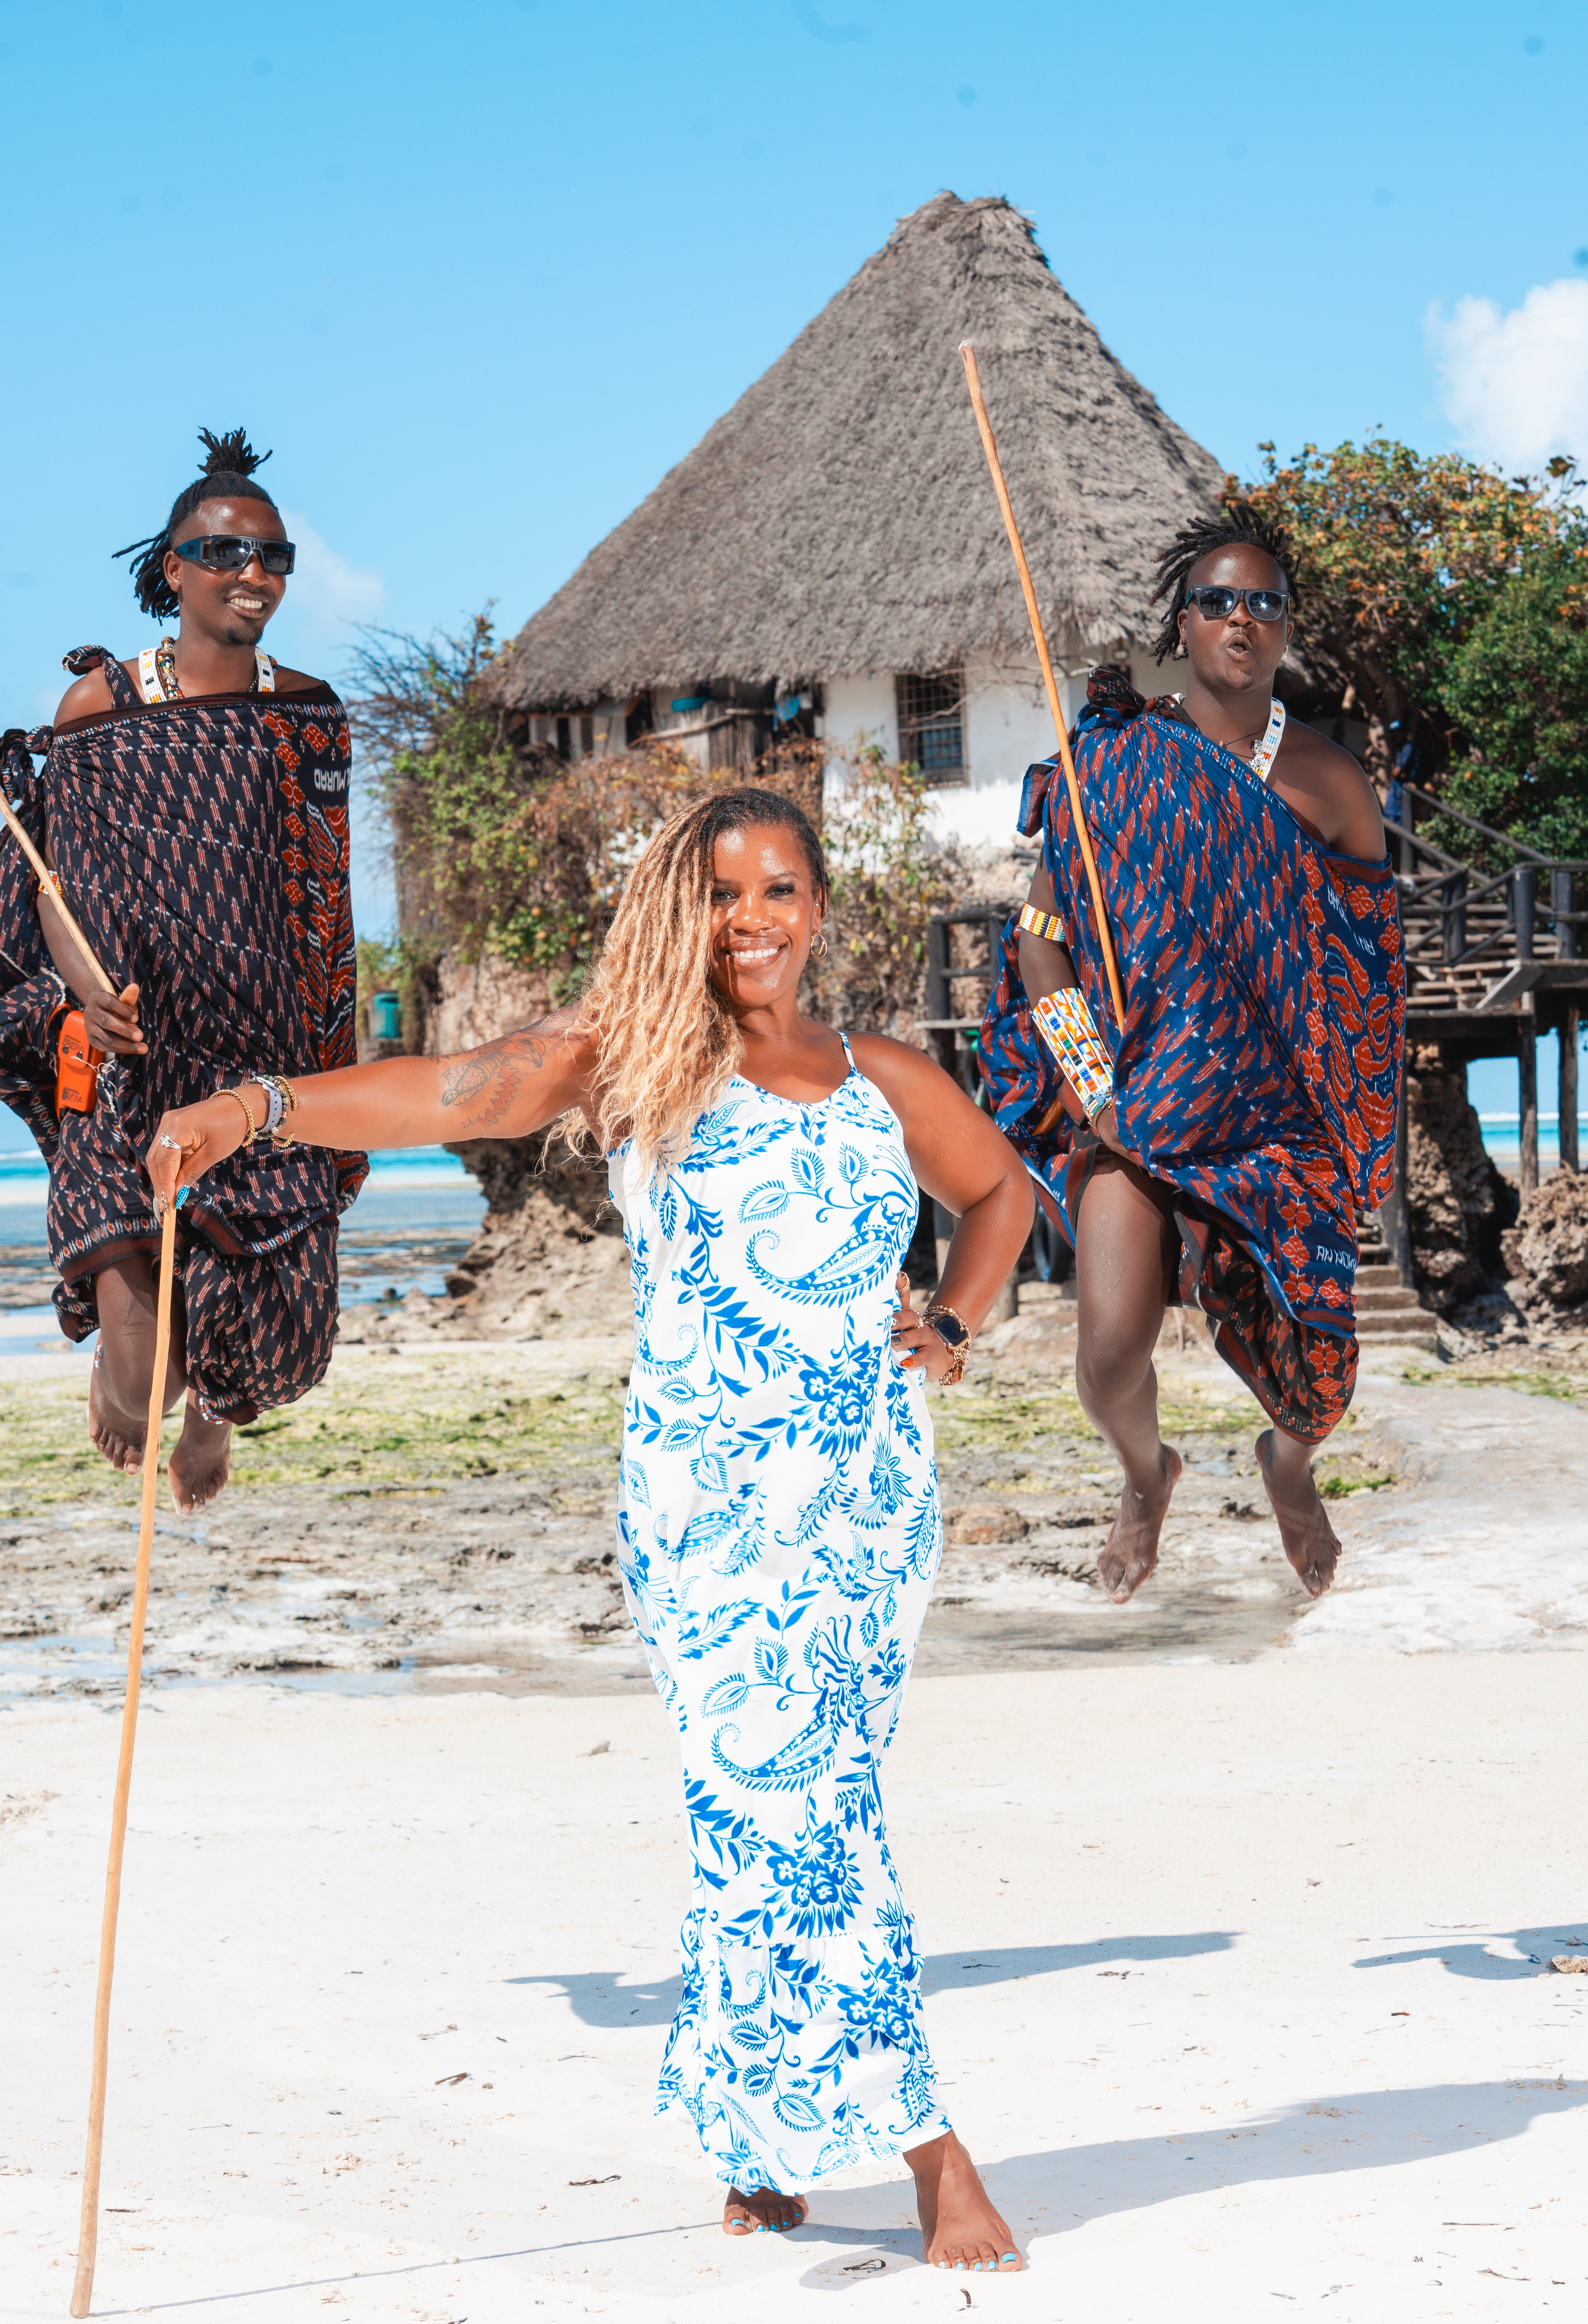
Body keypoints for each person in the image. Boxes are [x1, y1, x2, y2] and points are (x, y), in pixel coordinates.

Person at [148, 787, 1035, 2273]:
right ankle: (930, 2150)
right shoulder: (639, 1060)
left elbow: (1006, 1190)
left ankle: (752, 2143)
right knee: (791, 1814)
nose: (751, 919)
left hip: (869, 1508)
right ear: (679, 910)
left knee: (789, 1813)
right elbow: (458, 1093)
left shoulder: (882, 1075)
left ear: (821, 907)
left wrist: (952, 1317)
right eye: (722, 893)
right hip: (706, 1514)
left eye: (779, 891)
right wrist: (261, 1109)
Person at [980, 503, 1403, 1604]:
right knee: (1110, 1354)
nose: (1242, 619)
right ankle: (1145, 1475)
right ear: (1182, 621)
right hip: (1143, 1106)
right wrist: (1092, 1083)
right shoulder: (1111, 765)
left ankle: (1289, 1470)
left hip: (1277, 1122)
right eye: (1218, 599)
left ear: (1286, 631)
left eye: (1265, 603)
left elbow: (1366, 980)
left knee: (1318, 1389)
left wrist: (1353, 1122)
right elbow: (1041, 942)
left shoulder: (1330, 784)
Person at [4, 428, 364, 1510]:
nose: (251, 576)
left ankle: (215, 1422)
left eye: (272, 557)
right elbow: (60, 891)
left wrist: (333, 1062)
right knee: (135, 1381)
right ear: (173, 567)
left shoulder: (308, 711)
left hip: (264, 1047)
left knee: (285, 1342)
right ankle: (139, 1337)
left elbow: (324, 906)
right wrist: (82, 992)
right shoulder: (99, 711)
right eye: (223, 554)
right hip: (136, 1044)